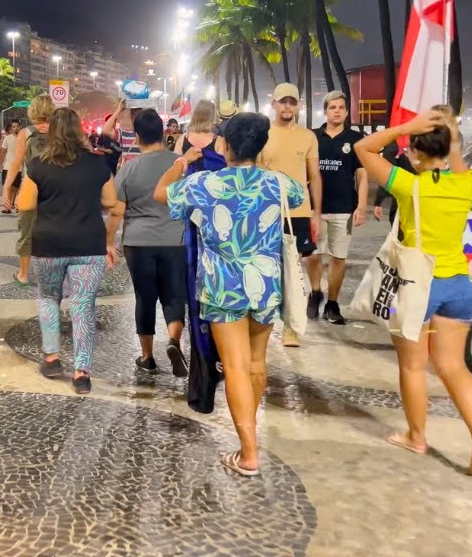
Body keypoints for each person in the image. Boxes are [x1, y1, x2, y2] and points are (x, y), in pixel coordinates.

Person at [155, 112, 305, 477]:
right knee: (256, 364)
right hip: (266, 286)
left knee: (235, 366)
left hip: (223, 288)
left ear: (226, 145)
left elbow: (161, 194)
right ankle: (247, 436)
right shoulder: (278, 183)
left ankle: (249, 452)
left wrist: (180, 163)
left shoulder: (205, 183)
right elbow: (298, 197)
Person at [353, 105, 472, 477]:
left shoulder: (408, 185)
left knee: (413, 366)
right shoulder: (466, 184)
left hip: (419, 284)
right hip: (458, 284)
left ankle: (417, 436)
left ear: (415, 152)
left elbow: (364, 149)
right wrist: (447, 133)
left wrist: (407, 126)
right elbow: (456, 160)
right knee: (453, 366)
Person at [17, 107, 118, 394]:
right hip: (88, 245)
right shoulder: (98, 165)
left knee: (49, 298)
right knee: (83, 305)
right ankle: (81, 373)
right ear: (79, 130)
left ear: (51, 130)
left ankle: (51, 358)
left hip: (49, 244)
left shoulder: (38, 165)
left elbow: (24, 205)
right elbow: (110, 201)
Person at [105, 109, 188, 376]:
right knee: (174, 295)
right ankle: (174, 341)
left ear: (137, 136)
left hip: (138, 242)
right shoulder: (180, 164)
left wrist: (109, 243)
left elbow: (117, 210)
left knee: (145, 297)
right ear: (164, 133)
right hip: (175, 239)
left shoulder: (129, 168)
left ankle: (147, 357)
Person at [257, 83, 321, 346]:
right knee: (266, 270)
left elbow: (314, 176)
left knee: (293, 272)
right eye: (283, 101)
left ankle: (291, 328)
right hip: (267, 212)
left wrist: (316, 211)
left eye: (292, 102)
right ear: (273, 103)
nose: (287, 106)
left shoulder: (307, 137)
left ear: (298, 106)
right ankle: (262, 326)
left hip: (298, 213)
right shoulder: (263, 134)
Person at [309, 91, 367, 325]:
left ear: (346, 111)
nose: (337, 111)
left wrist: (361, 205)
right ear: (325, 111)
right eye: (332, 107)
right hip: (315, 209)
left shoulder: (355, 139)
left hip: (343, 208)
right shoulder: (312, 137)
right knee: (312, 255)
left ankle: (332, 304)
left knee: (338, 258)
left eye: (341, 107)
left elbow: (362, 175)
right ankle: (315, 292)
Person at [1, 96, 56, 285]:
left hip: (30, 189)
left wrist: (7, 188)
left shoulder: (26, 132)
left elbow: (16, 163)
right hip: (56, 190)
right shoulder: (59, 132)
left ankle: (23, 274)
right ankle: (50, 273)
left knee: (26, 231)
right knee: (53, 229)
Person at [0, 119, 22, 213]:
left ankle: (13, 204)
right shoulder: (7, 138)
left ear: (20, 127)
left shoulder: (23, 138)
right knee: (7, 187)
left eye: (17, 126)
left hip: (20, 167)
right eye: (14, 127)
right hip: (8, 166)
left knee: (15, 188)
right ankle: (6, 207)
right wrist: (0, 164)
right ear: (11, 128)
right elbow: (2, 152)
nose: (16, 128)